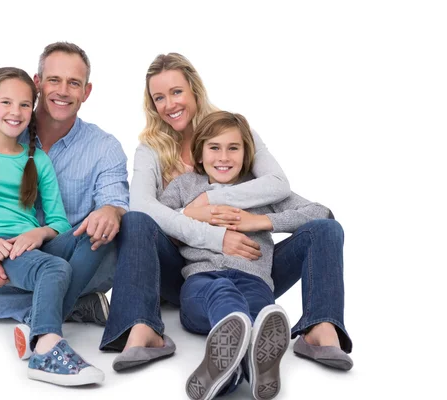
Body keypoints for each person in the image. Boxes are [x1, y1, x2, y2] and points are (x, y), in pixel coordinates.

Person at [101, 53, 352, 379]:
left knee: (324, 230)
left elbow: (318, 211)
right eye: (158, 97)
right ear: (201, 155)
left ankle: (320, 329)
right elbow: (145, 213)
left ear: (194, 90)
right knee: (138, 224)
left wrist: (258, 221)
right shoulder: (167, 169)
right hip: (193, 272)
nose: (169, 104)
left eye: (177, 91)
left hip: (254, 272)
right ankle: (145, 330)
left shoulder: (250, 166)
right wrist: (200, 220)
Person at [0, 43, 128, 341]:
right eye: (55, 79)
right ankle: (58, 310)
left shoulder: (99, 148)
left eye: (74, 83)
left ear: (86, 91)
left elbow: (85, 215)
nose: (63, 90)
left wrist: (105, 213)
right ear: (39, 84)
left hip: (63, 256)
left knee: (108, 241)